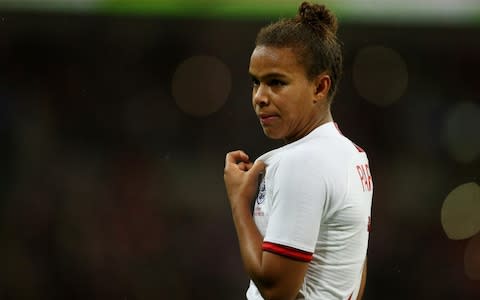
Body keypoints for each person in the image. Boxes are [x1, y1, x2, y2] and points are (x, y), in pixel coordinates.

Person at [224, 1, 373, 299]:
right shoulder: (354, 156)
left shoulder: (303, 162)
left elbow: (277, 290)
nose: (260, 97)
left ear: (319, 87)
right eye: (256, 83)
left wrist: (239, 201)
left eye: (276, 82)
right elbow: (356, 269)